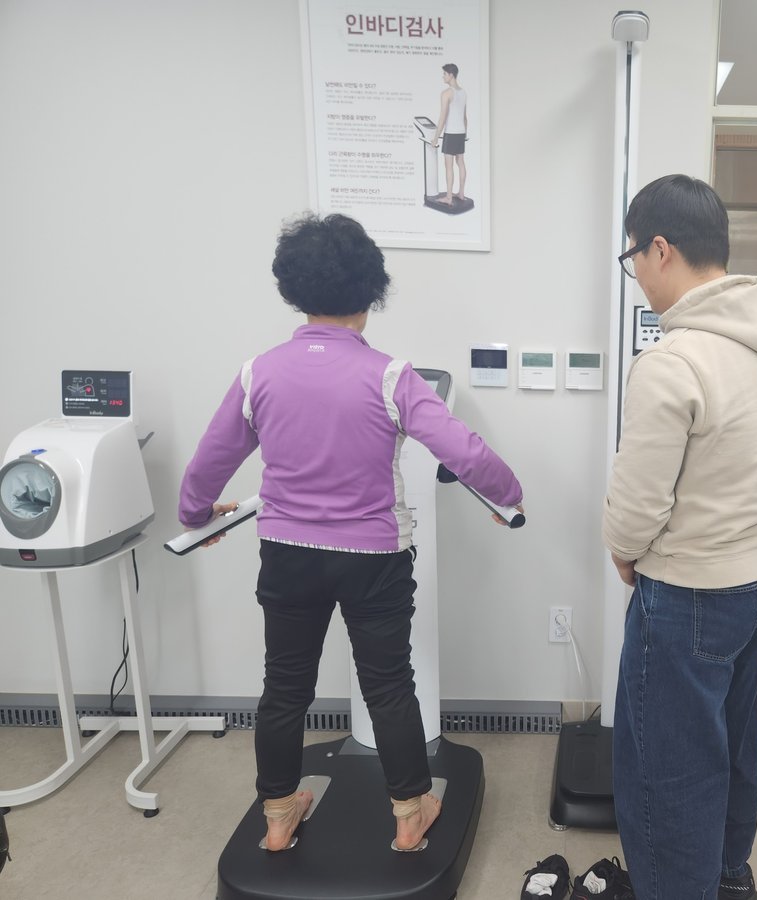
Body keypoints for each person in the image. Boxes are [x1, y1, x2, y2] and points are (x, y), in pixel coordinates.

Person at [178, 212, 522, 853]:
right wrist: (508, 495)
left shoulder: (258, 373)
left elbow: (207, 463)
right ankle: (410, 813)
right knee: (387, 684)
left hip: (287, 554)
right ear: (370, 292)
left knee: (285, 686)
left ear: (293, 290)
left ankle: (278, 815)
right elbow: (465, 451)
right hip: (373, 559)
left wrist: (196, 515)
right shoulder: (391, 376)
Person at [604, 175, 757, 900]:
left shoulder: (673, 360)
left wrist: (624, 551)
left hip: (691, 592)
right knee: (734, 740)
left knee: (668, 766)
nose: (638, 274)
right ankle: (729, 876)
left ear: (660, 249)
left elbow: (638, 502)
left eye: (633, 257)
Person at [433, 63, 468, 204]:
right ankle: (461, 193)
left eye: (444, 74)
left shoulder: (446, 93)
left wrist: (435, 138)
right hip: (460, 133)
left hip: (451, 133)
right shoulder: (463, 92)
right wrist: (464, 134)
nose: (443, 77)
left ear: (451, 75)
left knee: (449, 166)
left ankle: (448, 197)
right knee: (460, 162)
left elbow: (442, 118)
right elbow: (465, 117)